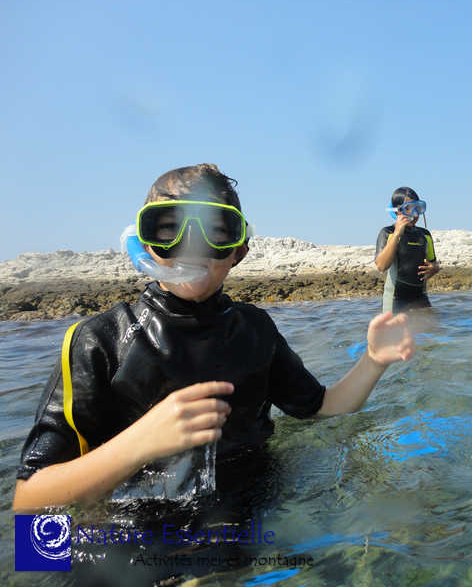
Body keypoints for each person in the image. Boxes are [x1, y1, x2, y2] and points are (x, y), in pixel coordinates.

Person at [13, 164, 415, 511]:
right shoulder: (98, 341)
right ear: (145, 244)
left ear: (238, 250)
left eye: (215, 231)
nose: (192, 247)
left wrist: (373, 361)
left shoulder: (255, 330)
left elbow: (322, 407)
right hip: (143, 534)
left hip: (256, 521)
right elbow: (30, 501)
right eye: (169, 228)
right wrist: (138, 444)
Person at [374, 186, 440, 314]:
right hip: (395, 301)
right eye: (408, 208)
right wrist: (397, 234)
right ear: (397, 211)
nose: (414, 214)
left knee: (433, 326)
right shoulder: (387, 233)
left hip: (420, 298)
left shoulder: (424, 235)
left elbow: (433, 263)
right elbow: (381, 266)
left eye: (418, 208)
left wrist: (435, 268)